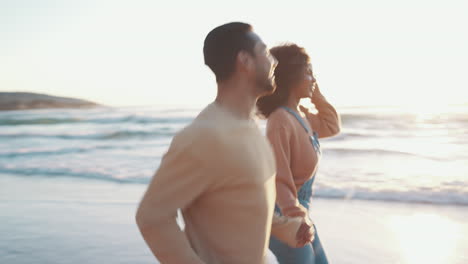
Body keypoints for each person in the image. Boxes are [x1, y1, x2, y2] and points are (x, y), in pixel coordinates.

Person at [135, 23, 313, 264]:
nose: (274, 62)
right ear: (245, 61)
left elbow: (243, 203)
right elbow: (151, 217)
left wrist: (289, 228)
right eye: (265, 52)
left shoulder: (249, 129)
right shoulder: (204, 136)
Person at [257, 44, 341, 264]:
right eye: (309, 73)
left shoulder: (302, 115)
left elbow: (332, 126)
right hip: (283, 215)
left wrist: (317, 95)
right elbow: (279, 177)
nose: (313, 79)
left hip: (299, 214)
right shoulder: (280, 120)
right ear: (292, 75)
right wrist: (295, 217)